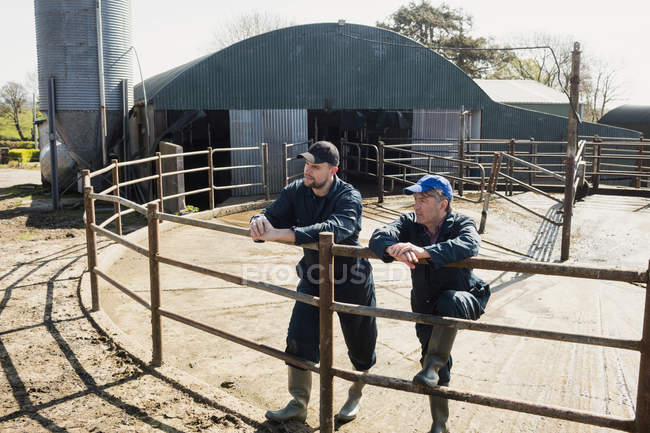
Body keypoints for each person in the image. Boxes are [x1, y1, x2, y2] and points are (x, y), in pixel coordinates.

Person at [249, 141, 377, 424]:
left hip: (350, 279)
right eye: (306, 164)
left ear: (333, 170)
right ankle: (298, 402)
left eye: (315, 166)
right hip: (313, 276)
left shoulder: (349, 196)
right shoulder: (297, 189)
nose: (308, 170)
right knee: (298, 338)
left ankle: (355, 394)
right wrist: (259, 220)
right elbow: (272, 213)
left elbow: (335, 229)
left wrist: (285, 235)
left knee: (361, 345)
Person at [368, 174, 490, 433]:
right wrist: (393, 249)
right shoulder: (409, 223)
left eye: (423, 199)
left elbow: (470, 243)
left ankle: (433, 367)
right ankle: (439, 424)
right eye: (415, 199)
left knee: (450, 302)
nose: (416, 205)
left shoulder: (461, 223)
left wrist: (424, 252)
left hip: (464, 297)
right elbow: (379, 235)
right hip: (425, 301)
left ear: (443, 203)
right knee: (429, 354)